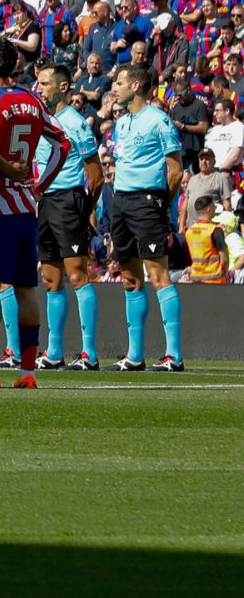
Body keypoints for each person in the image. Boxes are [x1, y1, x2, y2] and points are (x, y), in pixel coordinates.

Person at [0, 40, 71, 389]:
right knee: (26, 289)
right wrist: (39, 186)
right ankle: (27, 372)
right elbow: (62, 144)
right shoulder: (33, 101)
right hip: (25, 209)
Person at [108, 65, 186, 373]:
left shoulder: (159, 120)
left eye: (120, 82)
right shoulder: (122, 122)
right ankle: (134, 355)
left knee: (158, 276)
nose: (114, 87)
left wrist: (160, 205)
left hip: (147, 199)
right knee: (130, 279)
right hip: (121, 201)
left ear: (136, 85)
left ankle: (174, 356)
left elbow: (176, 170)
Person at [33, 59, 103, 370]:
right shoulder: (43, 120)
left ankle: (89, 353)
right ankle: (54, 352)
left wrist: (86, 210)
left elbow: (96, 175)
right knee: (51, 278)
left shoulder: (75, 122)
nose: (40, 88)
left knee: (77, 274)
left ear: (63, 87)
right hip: (46, 201)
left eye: (45, 83)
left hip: (69, 199)